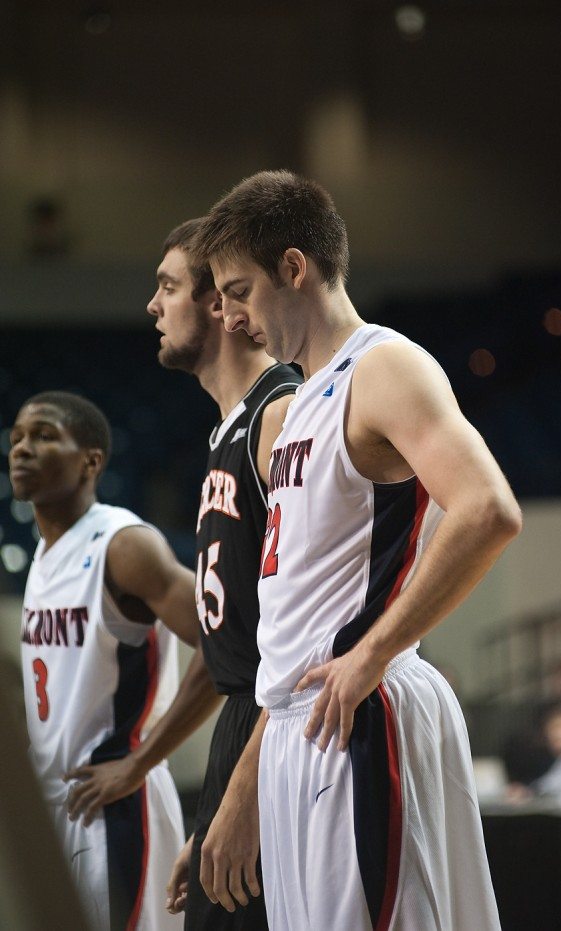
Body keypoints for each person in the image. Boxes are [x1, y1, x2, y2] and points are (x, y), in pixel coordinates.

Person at [191, 170, 523, 931]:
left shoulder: (383, 367)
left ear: (294, 268)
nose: (231, 316)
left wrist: (375, 651)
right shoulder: (300, 400)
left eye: (239, 291)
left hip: (358, 715)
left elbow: (488, 509)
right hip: (295, 725)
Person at [9, 390, 221, 931]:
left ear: (91, 461)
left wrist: (140, 761)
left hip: (119, 808)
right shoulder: (44, 551)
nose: (22, 450)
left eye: (44, 436)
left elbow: (229, 642)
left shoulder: (123, 545)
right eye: (16, 439)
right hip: (63, 803)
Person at [147, 219, 301, 928]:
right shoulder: (226, 428)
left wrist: (241, 795)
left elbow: (310, 628)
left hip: (281, 728)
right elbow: (233, 637)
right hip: (243, 730)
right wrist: (212, 809)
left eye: (168, 286)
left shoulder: (279, 414)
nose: (153, 305)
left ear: (219, 305)